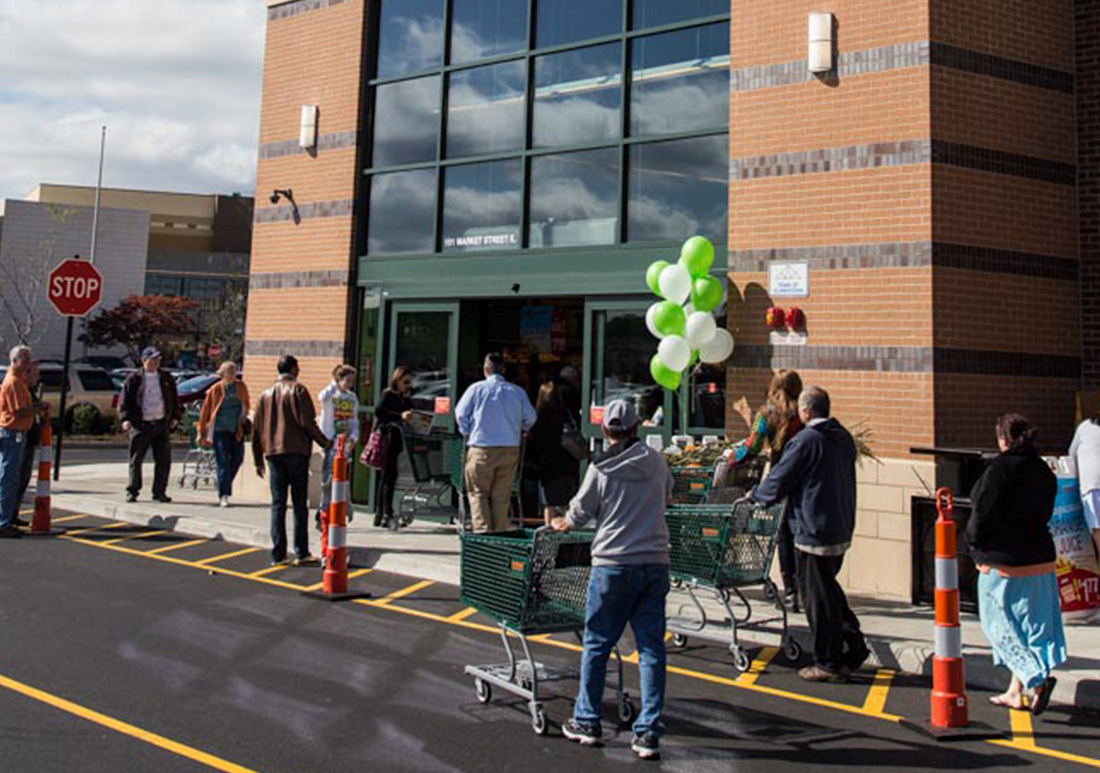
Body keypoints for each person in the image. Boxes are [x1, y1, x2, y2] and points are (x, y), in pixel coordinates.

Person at [552, 399, 673, 760]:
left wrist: (564, 522)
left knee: (598, 643)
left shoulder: (600, 467)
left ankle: (587, 720)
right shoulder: (656, 462)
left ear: (606, 431)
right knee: (651, 648)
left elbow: (581, 511)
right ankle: (648, 731)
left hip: (613, 565)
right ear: (637, 428)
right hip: (654, 562)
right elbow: (667, 497)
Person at [751, 386, 869, 683]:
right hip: (839, 525)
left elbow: (781, 478)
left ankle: (828, 662)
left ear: (806, 411)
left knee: (817, 598)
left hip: (813, 529)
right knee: (827, 589)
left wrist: (756, 495)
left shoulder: (806, 441)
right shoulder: (841, 437)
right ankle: (853, 646)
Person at [969, 413, 1065, 714]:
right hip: (1041, 558)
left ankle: (1036, 681)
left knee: (997, 624)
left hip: (1004, 560)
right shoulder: (1043, 470)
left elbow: (981, 513)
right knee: (1034, 627)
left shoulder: (999, 469)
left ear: (1003, 439)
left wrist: (975, 549)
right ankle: (1014, 691)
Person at [728, 370, 804, 610]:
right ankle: (801, 589)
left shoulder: (766, 415)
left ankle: (790, 591)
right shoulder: (803, 415)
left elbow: (752, 446)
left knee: (783, 536)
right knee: (800, 536)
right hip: (805, 480)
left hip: (781, 479)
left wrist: (732, 457)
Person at [251, 355, 330, 566]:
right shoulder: (298, 390)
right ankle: (301, 551)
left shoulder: (265, 394)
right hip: (296, 452)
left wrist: (257, 458)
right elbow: (308, 423)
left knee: (277, 504)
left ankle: (278, 553)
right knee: (298, 503)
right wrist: (325, 443)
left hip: (273, 454)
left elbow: (256, 429)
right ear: (294, 369)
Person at [455, 353, 536, 532]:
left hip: (481, 447)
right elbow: (530, 418)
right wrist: (520, 429)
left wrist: (467, 432)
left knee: (478, 493)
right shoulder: (517, 392)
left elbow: (460, 413)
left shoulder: (476, 389)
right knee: (502, 496)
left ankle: (483, 534)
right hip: (509, 448)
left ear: (485, 369)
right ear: (504, 370)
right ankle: (499, 535)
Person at [119, 347, 180, 503]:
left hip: (161, 424)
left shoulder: (166, 378)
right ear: (144, 360)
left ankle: (159, 492)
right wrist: (125, 419)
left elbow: (174, 398)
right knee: (136, 459)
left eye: (157, 360)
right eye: (152, 359)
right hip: (141, 425)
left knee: (163, 460)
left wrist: (174, 417)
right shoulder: (134, 379)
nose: (155, 362)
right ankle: (133, 490)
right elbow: (124, 401)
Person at [1, 346, 48, 538]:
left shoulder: (20, 382)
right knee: (8, 478)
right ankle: (3, 521)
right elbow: (19, 412)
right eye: (25, 359)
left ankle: (8, 517)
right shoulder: (12, 382)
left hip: (19, 433)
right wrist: (39, 408)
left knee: (14, 478)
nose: (29, 363)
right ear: (15, 361)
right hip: (12, 433)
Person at [196, 362, 251, 508]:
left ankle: (224, 482)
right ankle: (223, 494)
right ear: (222, 374)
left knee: (237, 460)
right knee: (223, 461)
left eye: (234, 371)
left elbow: (246, 403)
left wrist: (245, 419)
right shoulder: (215, 390)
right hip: (220, 430)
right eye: (229, 372)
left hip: (236, 430)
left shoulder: (241, 387)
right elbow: (206, 411)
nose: (233, 374)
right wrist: (201, 431)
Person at [527, 381, 581, 526]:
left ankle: (548, 534)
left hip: (548, 464)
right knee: (566, 503)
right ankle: (569, 534)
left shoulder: (539, 418)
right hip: (566, 461)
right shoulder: (566, 415)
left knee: (549, 504)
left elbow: (535, 442)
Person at [317, 364, 360, 527]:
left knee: (343, 478)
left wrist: (354, 436)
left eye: (352, 381)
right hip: (331, 442)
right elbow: (321, 397)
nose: (349, 384)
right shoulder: (330, 396)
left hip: (345, 443)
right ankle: (324, 510)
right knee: (328, 478)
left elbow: (355, 418)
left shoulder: (352, 397)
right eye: (347, 380)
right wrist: (334, 383)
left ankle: (343, 509)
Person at [372, 366, 413, 528]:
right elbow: (379, 412)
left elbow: (409, 414)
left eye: (409, 382)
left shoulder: (405, 397)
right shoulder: (388, 395)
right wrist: (399, 415)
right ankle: (385, 512)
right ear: (397, 381)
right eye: (405, 382)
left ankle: (381, 513)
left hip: (396, 440)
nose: (408, 385)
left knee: (389, 476)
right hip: (387, 439)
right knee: (388, 476)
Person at [1069, 403, 1100, 566]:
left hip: (1092, 485)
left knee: (1097, 531)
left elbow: (1071, 455)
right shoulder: (1085, 428)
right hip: (1093, 484)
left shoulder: (1085, 427)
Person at [15, 360, 44, 516]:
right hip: (19, 438)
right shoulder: (20, 390)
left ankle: (13, 513)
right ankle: (7, 515)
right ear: (26, 373)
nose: (38, 376)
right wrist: (38, 408)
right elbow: (19, 412)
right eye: (35, 373)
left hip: (29, 440)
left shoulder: (31, 391)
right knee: (14, 478)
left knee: (23, 480)